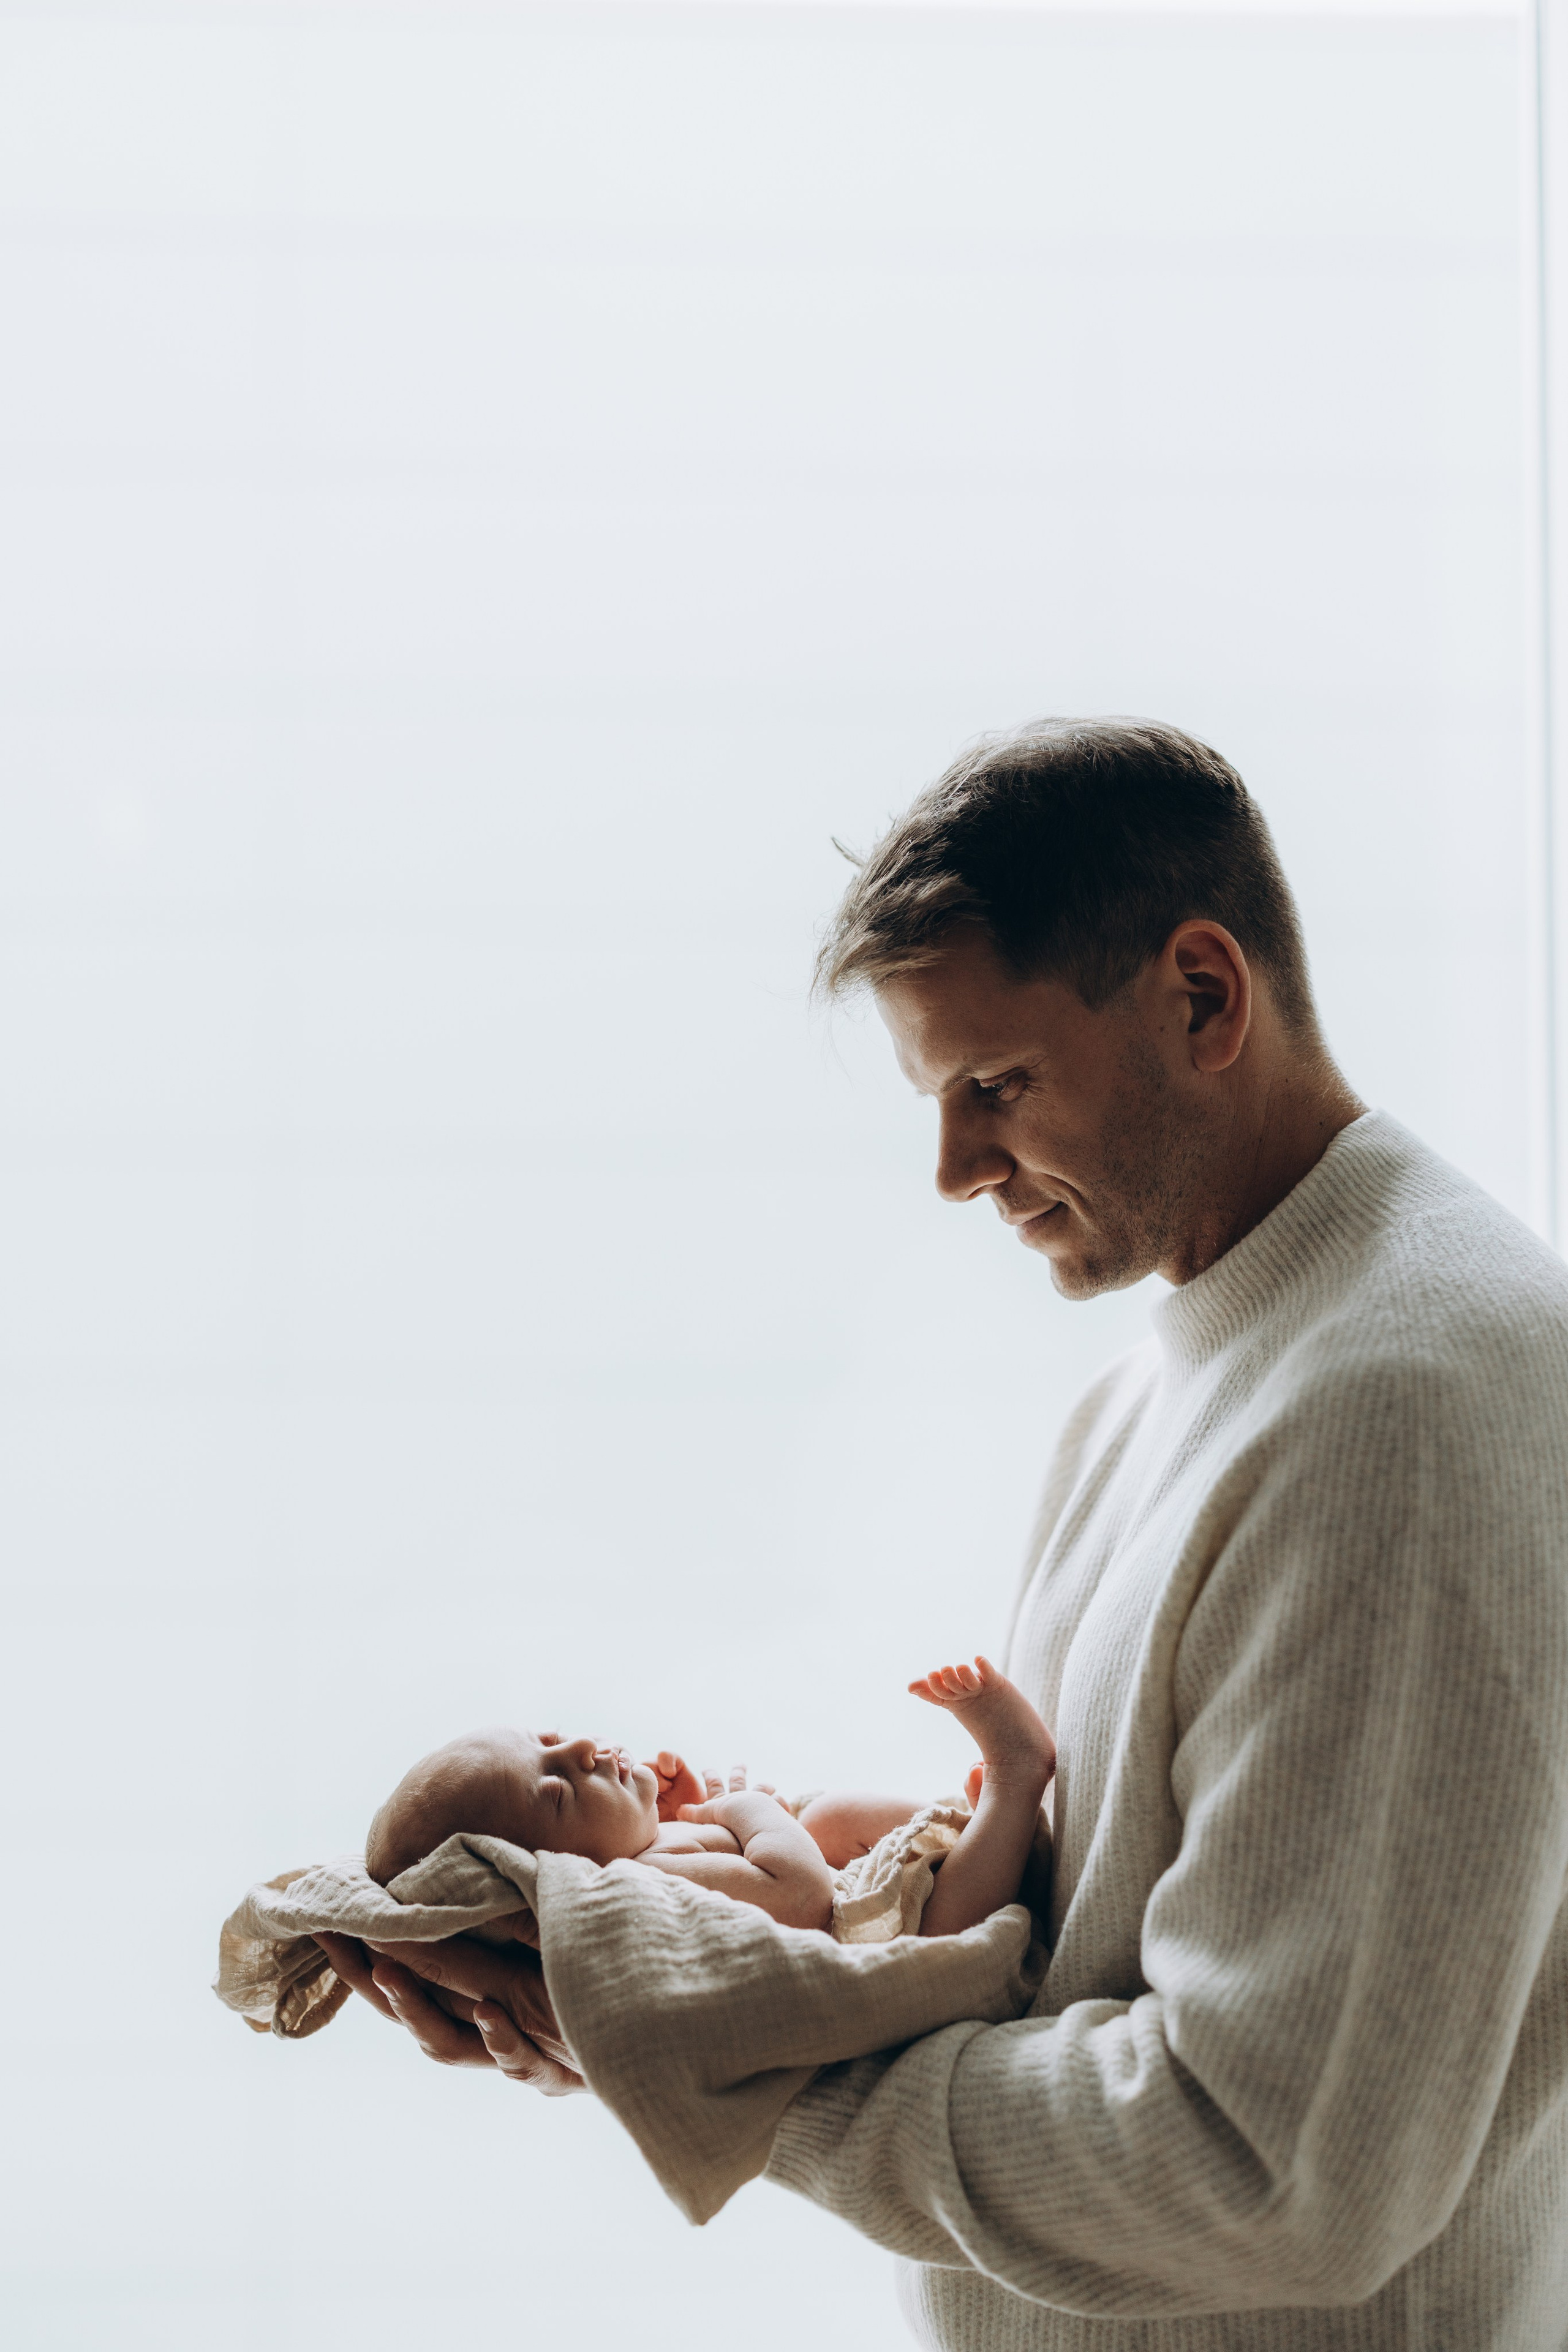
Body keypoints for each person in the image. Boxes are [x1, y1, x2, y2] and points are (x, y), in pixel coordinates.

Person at [321, 719, 1568, 2350]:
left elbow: (1268, 2167)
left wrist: (761, 2083)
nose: (952, 1168)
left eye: (995, 1086)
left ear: (1203, 997)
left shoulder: (1400, 1406)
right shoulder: (1158, 1391)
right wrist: (696, 1957)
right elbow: (1096, 1929)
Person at [359, 1654, 1055, 1942]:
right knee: (939, 1933)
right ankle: (1011, 1785)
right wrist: (743, 1810)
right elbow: (801, 1898)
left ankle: (977, 1834)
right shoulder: (635, 1879)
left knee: (828, 1818)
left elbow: (746, 1872)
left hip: (834, 1896)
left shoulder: (649, 1851)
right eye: (556, 1792)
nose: (578, 1752)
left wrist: (683, 1815)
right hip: (855, 1940)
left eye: (551, 1738)